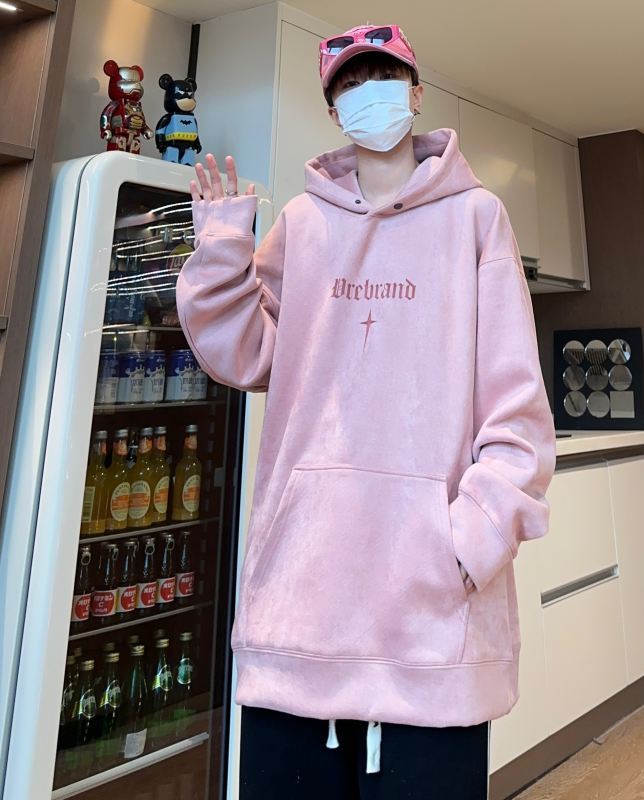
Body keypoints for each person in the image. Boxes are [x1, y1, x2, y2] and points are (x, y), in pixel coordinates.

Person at [176, 22, 557, 800]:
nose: (368, 94)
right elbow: (245, 355)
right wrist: (220, 254)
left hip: (431, 618)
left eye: (383, 77)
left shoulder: (476, 218)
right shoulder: (303, 224)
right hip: (301, 610)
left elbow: (518, 415)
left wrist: (464, 544)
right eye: (349, 84)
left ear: (416, 95)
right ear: (332, 110)